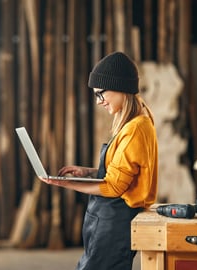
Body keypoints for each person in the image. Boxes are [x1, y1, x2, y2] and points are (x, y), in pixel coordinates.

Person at [39, 51, 158, 270]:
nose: (99, 101)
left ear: (120, 87)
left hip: (114, 225)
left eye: (101, 94)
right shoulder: (136, 119)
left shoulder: (135, 129)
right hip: (106, 221)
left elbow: (114, 187)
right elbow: (124, 171)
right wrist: (89, 172)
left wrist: (66, 184)